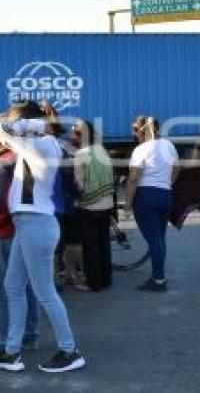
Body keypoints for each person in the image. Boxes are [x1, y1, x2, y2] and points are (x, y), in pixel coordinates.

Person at [0, 100, 85, 374]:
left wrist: (28, 122)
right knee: (13, 286)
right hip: (29, 224)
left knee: (44, 292)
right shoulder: (37, 144)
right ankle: (12, 351)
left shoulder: (41, 144)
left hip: (35, 224)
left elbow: (3, 128)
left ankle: (69, 349)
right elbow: (4, 130)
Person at [0, 115, 39, 356]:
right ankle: (29, 335)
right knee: (27, 286)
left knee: (1, 288)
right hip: (31, 229)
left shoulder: (2, 163)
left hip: (7, 231)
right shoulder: (35, 158)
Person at [127, 116, 179, 292]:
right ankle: (158, 275)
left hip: (145, 196)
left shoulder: (140, 149)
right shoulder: (169, 145)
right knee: (159, 238)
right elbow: (177, 168)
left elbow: (134, 178)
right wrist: (168, 183)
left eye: (135, 130)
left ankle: (158, 280)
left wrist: (127, 203)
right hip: (165, 195)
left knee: (153, 239)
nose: (134, 135)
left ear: (142, 131)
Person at [72, 120, 115, 291]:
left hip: (89, 206)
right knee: (104, 242)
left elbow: (79, 183)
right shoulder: (102, 150)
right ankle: (106, 279)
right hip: (107, 203)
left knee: (91, 246)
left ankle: (93, 283)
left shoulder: (81, 154)